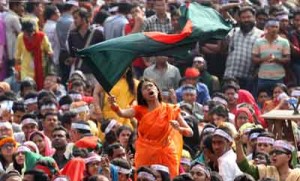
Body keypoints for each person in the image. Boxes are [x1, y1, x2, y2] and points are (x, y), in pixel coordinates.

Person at [108, 78, 193, 178]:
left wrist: (179, 129)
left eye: (151, 86)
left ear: (157, 90)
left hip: (167, 155)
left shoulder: (170, 109)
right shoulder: (138, 110)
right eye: (145, 88)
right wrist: (114, 105)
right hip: (146, 155)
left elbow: (190, 132)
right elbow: (122, 113)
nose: (149, 88)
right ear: (142, 95)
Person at [224, 6, 263, 90]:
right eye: (243, 17)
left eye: (248, 17)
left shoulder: (261, 35)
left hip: (248, 78)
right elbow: (223, 49)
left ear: (254, 17)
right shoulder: (233, 32)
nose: (246, 20)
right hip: (230, 75)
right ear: (239, 19)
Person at [236, 135, 300, 180]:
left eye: (278, 152)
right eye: (272, 152)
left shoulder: (297, 175)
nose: (274, 155)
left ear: (288, 157)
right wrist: (238, 144)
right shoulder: (265, 171)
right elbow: (244, 167)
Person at [252, 18, 291, 92]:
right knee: (262, 98)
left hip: (278, 77)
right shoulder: (258, 42)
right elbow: (254, 58)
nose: (274, 29)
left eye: (276, 27)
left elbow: (287, 59)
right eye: (272, 26)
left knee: (278, 97)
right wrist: (264, 59)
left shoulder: (284, 42)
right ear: (266, 28)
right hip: (263, 77)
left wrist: (276, 59)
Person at [15, 20, 53, 90]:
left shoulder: (42, 36)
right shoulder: (20, 38)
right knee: (27, 88)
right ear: (23, 31)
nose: (29, 34)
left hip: (41, 69)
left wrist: (49, 53)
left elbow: (49, 50)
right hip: (26, 70)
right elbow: (17, 57)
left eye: (31, 31)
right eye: (27, 32)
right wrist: (17, 71)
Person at [43, 5, 60, 74]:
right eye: (58, 12)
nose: (60, 14)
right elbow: (58, 43)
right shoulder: (55, 27)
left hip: (47, 58)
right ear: (53, 15)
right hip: (55, 57)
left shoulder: (45, 26)